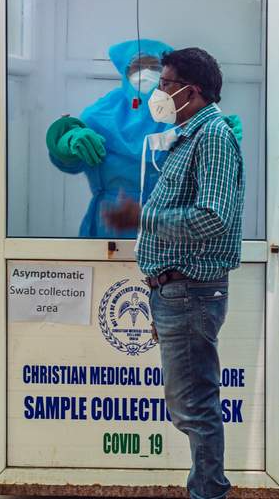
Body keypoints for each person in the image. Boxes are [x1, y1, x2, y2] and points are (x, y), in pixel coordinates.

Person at [105, 47, 245, 499]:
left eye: (166, 84)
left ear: (193, 91)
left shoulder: (214, 137)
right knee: (189, 404)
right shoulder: (188, 134)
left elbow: (214, 217)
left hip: (191, 291)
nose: (159, 93)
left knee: (195, 406)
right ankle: (208, 488)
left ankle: (209, 492)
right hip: (176, 291)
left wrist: (143, 218)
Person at [46, 38, 173, 238]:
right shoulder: (103, 113)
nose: (146, 72)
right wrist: (67, 142)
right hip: (111, 222)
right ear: (126, 71)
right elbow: (71, 162)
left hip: (166, 222)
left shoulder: (176, 111)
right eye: (138, 66)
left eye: (154, 66)